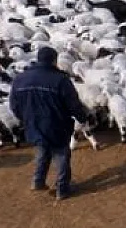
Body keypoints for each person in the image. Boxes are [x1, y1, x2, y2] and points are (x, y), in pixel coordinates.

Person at [8, 46, 89, 200]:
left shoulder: (20, 79)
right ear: (54, 61)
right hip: (57, 124)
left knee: (42, 148)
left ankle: (38, 181)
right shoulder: (60, 80)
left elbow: (13, 105)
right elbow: (73, 103)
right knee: (61, 154)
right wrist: (82, 118)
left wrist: (25, 119)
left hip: (32, 123)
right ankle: (62, 189)